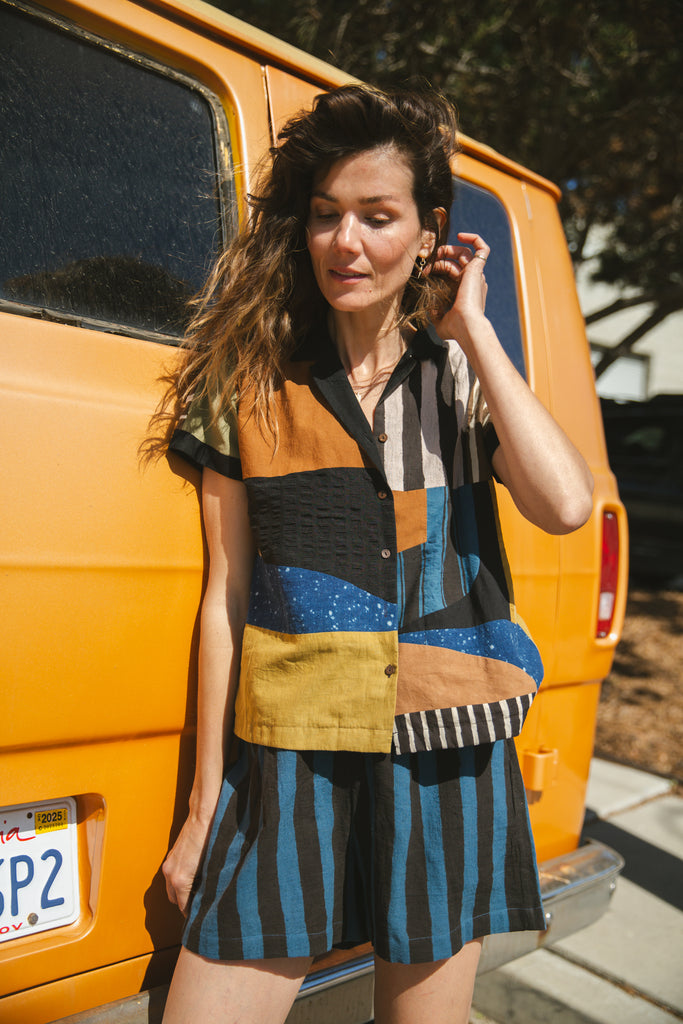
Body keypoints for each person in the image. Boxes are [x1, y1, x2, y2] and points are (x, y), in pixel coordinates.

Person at [155, 84, 594, 1024]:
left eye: (376, 216)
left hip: (446, 747)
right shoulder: (248, 383)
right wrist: (202, 807)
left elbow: (564, 505)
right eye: (325, 215)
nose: (344, 243)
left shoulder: (460, 378)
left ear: (429, 231)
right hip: (291, 751)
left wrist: (473, 328)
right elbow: (226, 599)